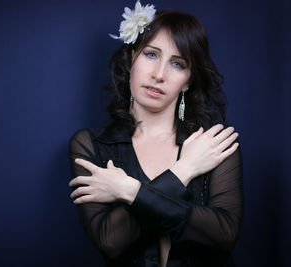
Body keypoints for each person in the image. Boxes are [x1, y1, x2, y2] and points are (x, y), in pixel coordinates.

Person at [68, 1, 243, 266]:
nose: (159, 74)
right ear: (131, 59)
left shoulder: (213, 146)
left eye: (177, 63)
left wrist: (128, 190)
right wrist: (185, 170)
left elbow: (223, 236)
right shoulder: (91, 145)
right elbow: (110, 241)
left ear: (188, 81)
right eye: (151, 54)